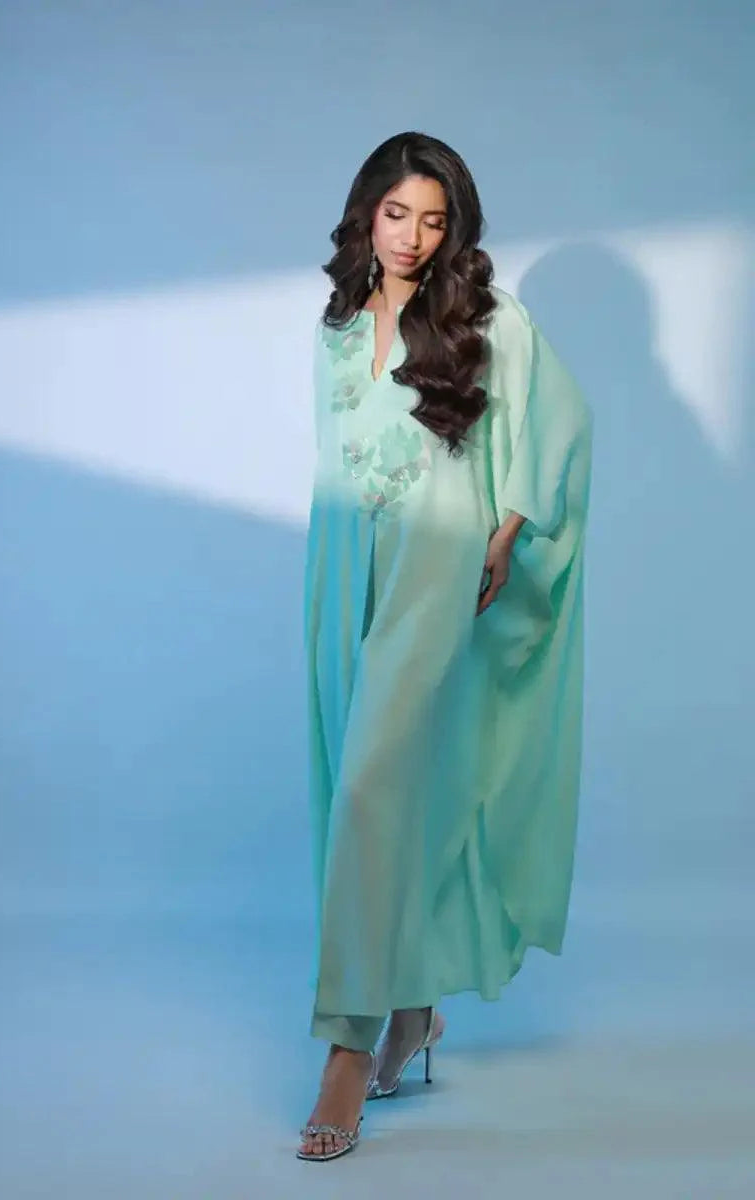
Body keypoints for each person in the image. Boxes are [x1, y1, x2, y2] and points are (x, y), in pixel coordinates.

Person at [297, 131, 593, 1162]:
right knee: (361, 791)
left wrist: (506, 529)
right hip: (342, 562)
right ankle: (414, 1004)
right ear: (366, 214)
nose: (413, 237)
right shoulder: (338, 322)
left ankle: (346, 1046)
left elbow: (561, 424)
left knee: (372, 786)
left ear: (452, 228)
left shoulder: (487, 318)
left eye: (432, 219)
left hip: (435, 563)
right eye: (396, 214)